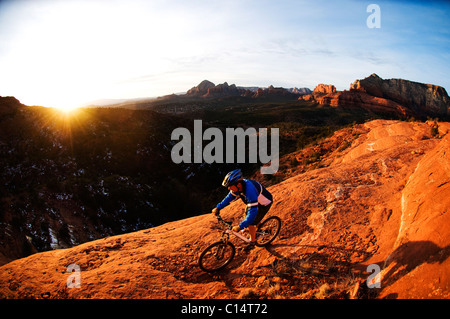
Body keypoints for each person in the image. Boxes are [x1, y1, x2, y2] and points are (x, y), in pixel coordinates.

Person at [212, 169, 273, 251]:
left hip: (263, 204)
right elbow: (229, 197)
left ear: (238, 184)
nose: (229, 188)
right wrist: (218, 207)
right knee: (248, 218)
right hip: (253, 203)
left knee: (251, 223)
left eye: (230, 186)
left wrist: (240, 226)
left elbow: (252, 213)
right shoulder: (239, 186)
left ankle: (252, 242)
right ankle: (259, 228)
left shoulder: (250, 191)